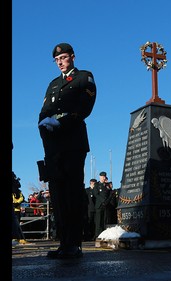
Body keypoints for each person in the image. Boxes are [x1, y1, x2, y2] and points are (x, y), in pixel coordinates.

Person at [38, 42, 97, 258]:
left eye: (63, 58)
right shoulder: (53, 84)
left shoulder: (83, 77)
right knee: (58, 194)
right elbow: (43, 112)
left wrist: (62, 124)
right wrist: (45, 129)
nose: (60, 62)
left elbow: (84, 107)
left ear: (72, 57)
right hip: (54, 146)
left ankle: (74, 243)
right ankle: (63, 242)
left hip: (73, 142)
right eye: (56, 60)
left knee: (72, 192)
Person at [93, 172, 111, 238]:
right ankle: (98, 235)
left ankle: (104, 234)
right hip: (99, 205)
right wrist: (103, 200)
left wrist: (107, 201)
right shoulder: (97, 185)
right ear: (100, 177)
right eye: (103, 177)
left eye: (105, 177)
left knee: (104, 220)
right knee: (98, 221)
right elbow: (96, 194)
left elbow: (109, 194)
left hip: (105, 205)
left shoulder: (107, 185)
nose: (104, 178)